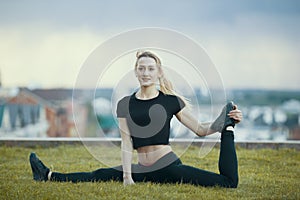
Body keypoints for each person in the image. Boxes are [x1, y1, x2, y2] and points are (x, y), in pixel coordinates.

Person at [30, 50, 243, 188]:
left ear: (158, 73)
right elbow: (126, 142)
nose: (146, 73)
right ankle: (48, 175)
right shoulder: (125, 104)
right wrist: (127, 177)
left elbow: (200, 129)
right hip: (143, 168)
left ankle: (229, 129)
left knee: (226, 183)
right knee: (103, 173)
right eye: (142, 68)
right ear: (136, 71)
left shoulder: (170, 101)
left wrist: (222, 122)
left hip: (168, 166)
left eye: (151, 69)